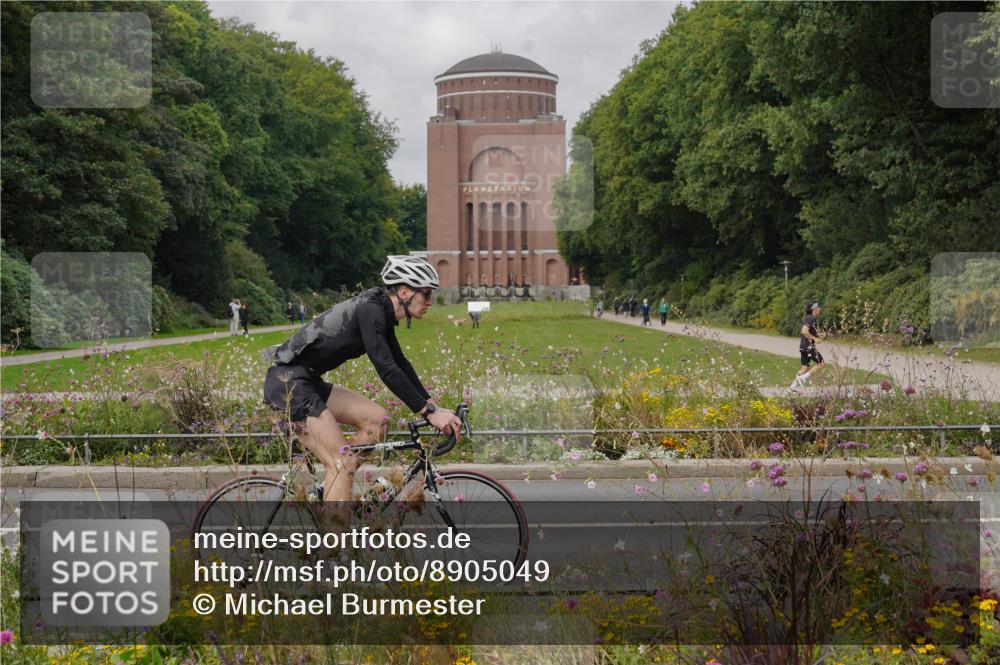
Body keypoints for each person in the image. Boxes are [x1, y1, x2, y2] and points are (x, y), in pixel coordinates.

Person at [263, 256, 463, 506]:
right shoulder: (371, 310)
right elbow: (386, 368)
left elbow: (401, 364)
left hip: (308, 380)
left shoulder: (382, 310)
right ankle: (332, 538)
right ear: (404, 292)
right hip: (288, 384)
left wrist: (432, 406)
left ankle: (334, 485)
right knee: (342, 464)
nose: (430, 302)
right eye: (426, 294)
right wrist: (426, 412)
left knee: (379, 421)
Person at [790, 301, 826, 390]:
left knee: (804, 367)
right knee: (821, 364)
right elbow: (804, 331)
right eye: (818, 307)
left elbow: (808, 332)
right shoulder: (810, 318)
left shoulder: (810, 318)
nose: (820, 309)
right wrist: (815, 339)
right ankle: (803, 378)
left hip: (803, 346)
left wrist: (819, 335)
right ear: (814, 309)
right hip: (809, 346)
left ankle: (793, 386)